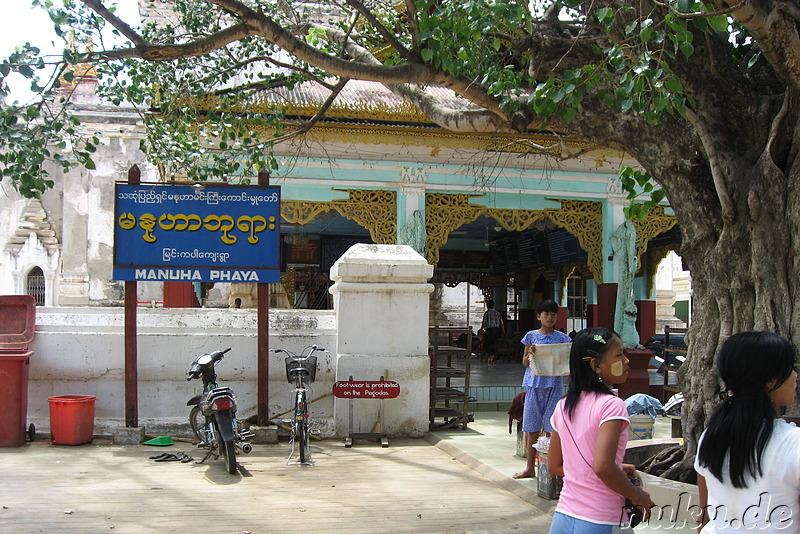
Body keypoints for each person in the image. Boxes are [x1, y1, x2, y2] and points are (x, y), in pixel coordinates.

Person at [547, 327, 654, 533]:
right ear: (596, 365)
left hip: (563, 517)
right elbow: (603, 467)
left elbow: (555, 466)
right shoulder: (611, 406)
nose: (626, 361)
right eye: (619, 354)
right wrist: (638, 496)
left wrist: (617, 468)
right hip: (601, 518)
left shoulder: (563, 405)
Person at [695, 331, 800, 532]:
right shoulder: (792, 443)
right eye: (790, 369)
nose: (795, 376)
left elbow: (704, 517)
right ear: (770, 381)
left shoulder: (711, 436)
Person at [513, 299, 572, 479]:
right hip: (534, 385)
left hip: (554, 386)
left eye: (553, 314)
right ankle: (530, 467)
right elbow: (524, 362)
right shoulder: (531, 336)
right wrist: (530, 353)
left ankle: (550, 468)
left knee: (552, 428)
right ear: (539, 316)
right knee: (531, 428)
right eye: (546, 314)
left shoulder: (563, 338)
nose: (550, 318)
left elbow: (567, 358)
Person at [480, 299, 505, 365]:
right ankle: (493, 356)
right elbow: (501, 323)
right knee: (495, 343)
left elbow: (484, 322)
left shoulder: (487, 313)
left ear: (487, 306)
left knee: (488, 343)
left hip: (489, 331)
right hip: (496, 331)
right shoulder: (497, 313)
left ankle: (490, 355)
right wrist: (503, 331)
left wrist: (481, 329)